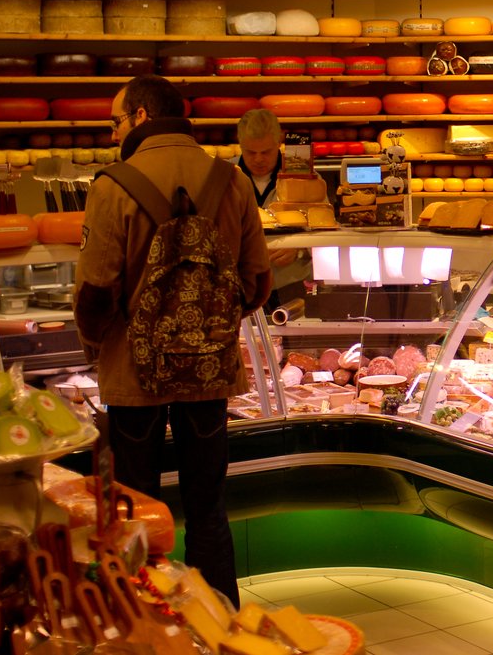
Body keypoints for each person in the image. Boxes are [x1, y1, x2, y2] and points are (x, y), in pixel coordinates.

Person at [74, 74, 271, 606]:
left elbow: (95, 292)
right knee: (207, 505)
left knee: (136, 507)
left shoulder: (112, 185)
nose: (113, 133)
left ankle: (142, 618)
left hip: (134, 376)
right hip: (209, 373)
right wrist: (206, 326)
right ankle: (220, 619)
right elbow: (256, 283)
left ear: (140, 117)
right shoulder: (231, 182)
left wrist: (99, 345)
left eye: (116, 121)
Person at [234, 108, 325, 308]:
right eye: (250, 152)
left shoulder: (308, 179)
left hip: (292, 288)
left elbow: (328, 233)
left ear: (279, 144)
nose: (258, 159)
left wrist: (300, 249)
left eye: (266, 152)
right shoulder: (225, 177)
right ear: (240, 145)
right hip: (238, 288)